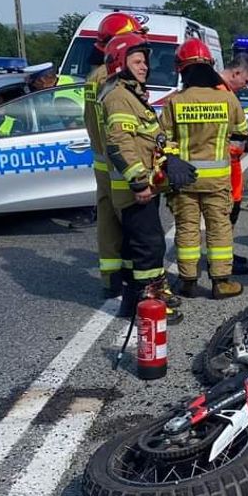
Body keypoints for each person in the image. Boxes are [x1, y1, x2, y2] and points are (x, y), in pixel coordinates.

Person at [99, 32, 194, 323]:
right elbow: (119, 143)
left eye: (144, 62)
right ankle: (149, 302)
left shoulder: (132, 97)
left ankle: (131, 302)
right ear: (120, 63)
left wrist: (171, 158)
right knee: (149, 248)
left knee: (134, 249)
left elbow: (152, 140)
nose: (144, 67)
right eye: (137, 61)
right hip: (134, 190)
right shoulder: (118, 98)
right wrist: (139, 181)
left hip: (143, 188)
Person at [160, 39, 248, 300]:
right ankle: (221, 282)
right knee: (219, 227)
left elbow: (162, 141)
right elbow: (242, 136)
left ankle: (188, 282)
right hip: (218, 180)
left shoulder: (175, 102)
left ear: (182, 69)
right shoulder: (227, 99)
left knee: (187, 228)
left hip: (184, 180)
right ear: (210, 65)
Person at [82, 12, 146, 297]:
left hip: (102, 163)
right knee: (136, 228)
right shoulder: (114, 78)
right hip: (122, 164)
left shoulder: (91, 78)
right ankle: (138, 286)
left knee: (107, 222)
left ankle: (110, 282)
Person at [217, 53, 248, 276]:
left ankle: (226, 257)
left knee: (230, 215)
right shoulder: (221, 95)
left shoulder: (227, 93)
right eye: (246, 81)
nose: (246, 86)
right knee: (224, 218)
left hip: (231, 169)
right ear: (236, 73)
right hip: (223, 169)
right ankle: (223, 263)